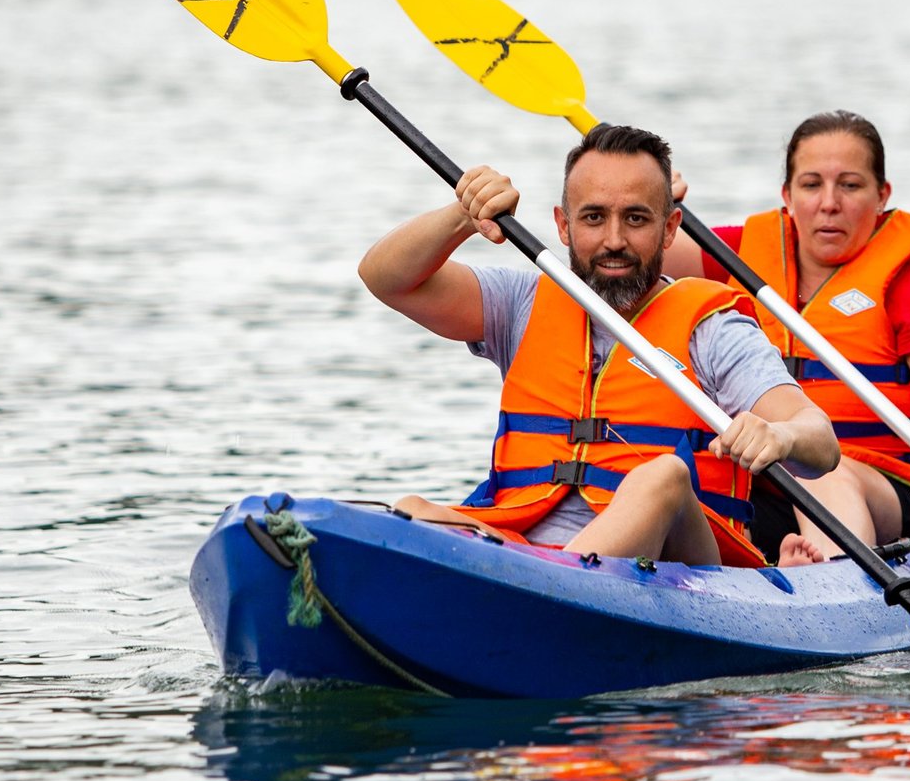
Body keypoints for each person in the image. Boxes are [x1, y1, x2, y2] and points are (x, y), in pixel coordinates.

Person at [358, 123, 840, 566]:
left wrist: (781, 437)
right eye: (593, 218)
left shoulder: (714, 329)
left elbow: (821, 442)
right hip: (528, 549)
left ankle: (547, 593)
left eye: (635, 219)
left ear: (669, 229)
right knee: (413, 510)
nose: (614, 240)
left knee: (664, 477)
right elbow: (386, 278)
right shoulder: (521, 303)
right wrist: (462, 216)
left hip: (684, 571)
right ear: (563, 226)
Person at [664, 109, 910, 563]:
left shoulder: (906, 289)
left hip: (886, 488)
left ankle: (826, 581)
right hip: (768, 482)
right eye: (811, 185)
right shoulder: (741, 253)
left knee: (824, 472)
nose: (829, 203)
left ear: (881, 195)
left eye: (850, 185)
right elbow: (629, 264)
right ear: (787, 195)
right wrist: (654, 208)